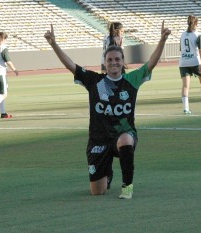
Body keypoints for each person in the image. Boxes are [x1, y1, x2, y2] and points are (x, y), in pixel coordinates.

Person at [44, 22, 171, 199]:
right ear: (104, 62)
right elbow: (71, 66)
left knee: (126, 139)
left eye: (117, 59)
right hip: (99, 139)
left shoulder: (131, 79)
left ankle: (127, 187)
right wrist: (53, 44)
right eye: (110, 60)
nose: (114, 63)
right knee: (98, 192)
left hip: (122, 135)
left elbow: (151, 64)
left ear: (123, 62)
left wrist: (162, 40)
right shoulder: (94, 81)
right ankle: (107, 174)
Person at [179, 15, 201, 115]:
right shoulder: (198, 34)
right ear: (196, 23)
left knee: (185, 86)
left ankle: (186, 109)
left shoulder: (182, 35)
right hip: (195, 62)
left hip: (183, 62)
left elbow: (181, 49)